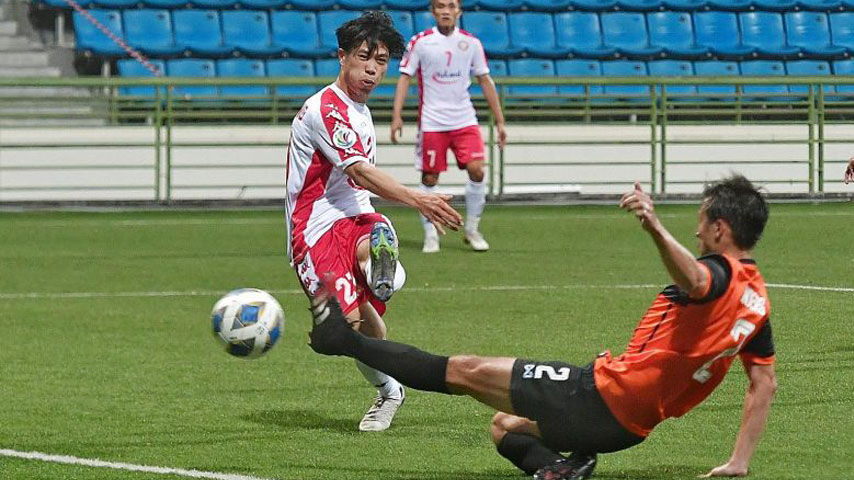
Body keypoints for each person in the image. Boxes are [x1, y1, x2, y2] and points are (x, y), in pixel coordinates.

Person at [307, 175, 776, 479]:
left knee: (464, 371)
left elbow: (696, 280)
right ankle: (557, 471)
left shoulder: (716, 276)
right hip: (628, 428)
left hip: (601, 396)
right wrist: (739, 462)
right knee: (505, 427)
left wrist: (653, 225)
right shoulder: (756, 302)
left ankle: (344, 339)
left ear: (719, 228)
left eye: (700, 224)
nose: (695, 234)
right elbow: (763, 382)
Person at [286, 11, 462, 432]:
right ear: (342, 57)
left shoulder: (360, 108)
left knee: (370, 246)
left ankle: (379, 261)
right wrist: (418, 199)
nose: (372, 69)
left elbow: (359, 180)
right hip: (313, 228)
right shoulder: (326, 109)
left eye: (381, 61)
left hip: (357, 215)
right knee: (356, 335)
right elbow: (360, 171)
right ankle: (389, 388)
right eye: (364, 58)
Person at [390, 0, 507, 253]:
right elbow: (404, 77)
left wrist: (499, 120)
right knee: (430, 177)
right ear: (433, 12)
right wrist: (396, 115)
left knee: (477, 171)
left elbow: (485, 80)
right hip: (432, 121)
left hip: (464, 119)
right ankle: (431, 234)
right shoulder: (421, 42)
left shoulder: (471, 43)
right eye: (440, 6)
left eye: (451, 6)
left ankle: (472, 229)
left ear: (459, 11)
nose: (446, 10)